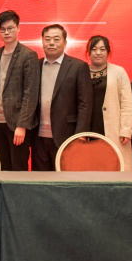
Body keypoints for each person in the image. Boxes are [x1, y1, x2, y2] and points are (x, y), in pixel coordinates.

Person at [32, 24, 92, 171]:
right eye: (47, 39)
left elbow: (85, 103)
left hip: (66, 135)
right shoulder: (35, 65)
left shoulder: (78, 67)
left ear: (65, 43)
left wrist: (80, 135)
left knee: (64, 177)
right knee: (39, 179)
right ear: (42, 42)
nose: (51, 43)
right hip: (38, 136)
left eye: (56, 39)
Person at [0, 10, 39, 170]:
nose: (6, 32)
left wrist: (22, 125)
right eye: (2, 29)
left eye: (10, 28)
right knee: (1, 167)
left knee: (18, 168)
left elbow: (31, 93)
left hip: (17, 124)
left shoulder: (28, 55)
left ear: (18, 28)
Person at [86, 35, 132, 171]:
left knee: (115, 167)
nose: (98, 53)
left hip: (114, 129)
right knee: (92, 167)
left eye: (102, 49)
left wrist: (126, 129)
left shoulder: (119, 72)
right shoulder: (81, 71)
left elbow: (127, 103)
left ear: (108, 52)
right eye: (94, 49)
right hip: (89, 129)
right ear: (88, 52)